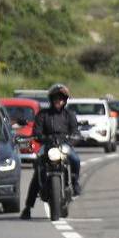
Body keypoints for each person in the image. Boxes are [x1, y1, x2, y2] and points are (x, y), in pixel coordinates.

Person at [23, 84, 81, 218]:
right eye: (56, 98)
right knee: (38, 169)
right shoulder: (43, 114)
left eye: (61, 98)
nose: (58, 101)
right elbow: (36, 132)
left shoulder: (69, 115)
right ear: (51, 100)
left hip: (64, 146)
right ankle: (28, 207)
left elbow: (75, 132)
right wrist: (43, 138)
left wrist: (72, 140)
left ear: (65, 100)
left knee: (75, 159)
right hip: (48, 146)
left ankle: (75, 183)